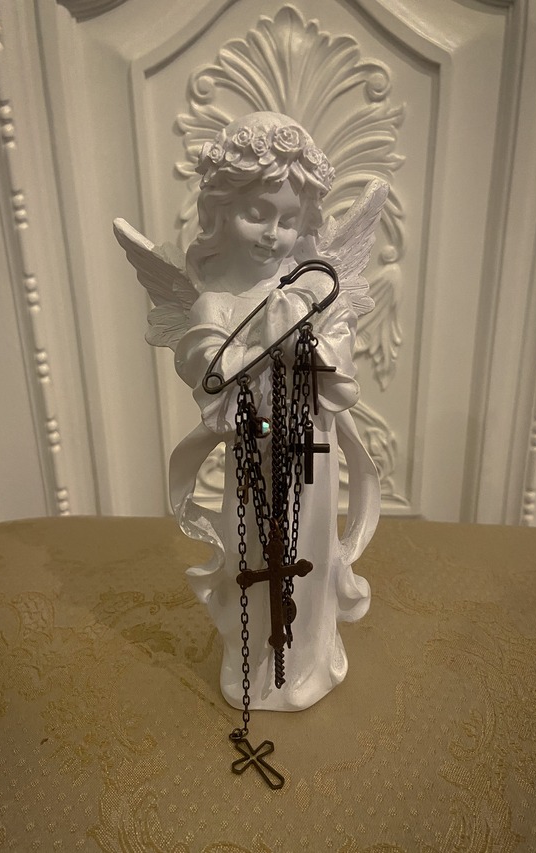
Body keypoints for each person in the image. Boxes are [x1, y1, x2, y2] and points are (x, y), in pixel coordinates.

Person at [168, 112, 381, 711]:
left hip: (313, 451)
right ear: (220, 213)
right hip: (254, 452)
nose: (272, 235)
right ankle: (255, 663)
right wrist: (267, 341)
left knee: (307, 556)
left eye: (288, 221)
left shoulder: (316, 290)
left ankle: (306, 662)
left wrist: (304, 344)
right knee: (255, 554)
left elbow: (341, 381)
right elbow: (210, 379)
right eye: (256, 214)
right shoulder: (215, 304)